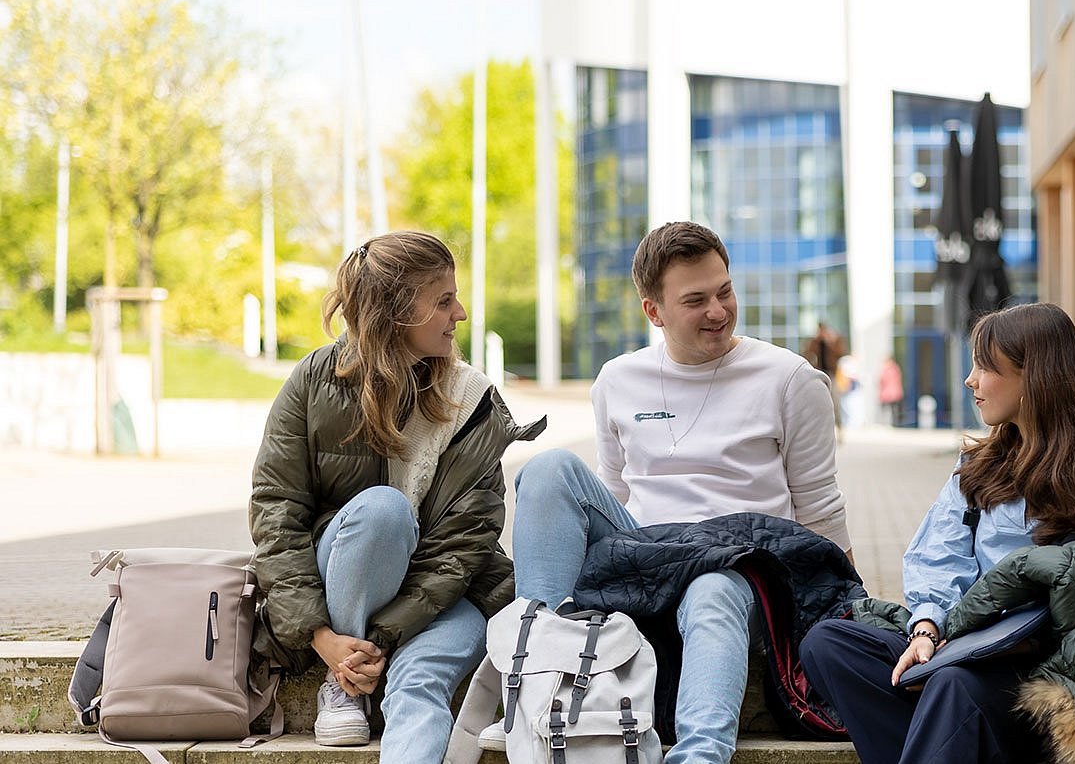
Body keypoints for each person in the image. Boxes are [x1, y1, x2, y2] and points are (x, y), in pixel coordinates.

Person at [509, 220, 851, 764]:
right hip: (647, 559)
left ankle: (700, 755)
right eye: (696, 300)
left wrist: (843, 609)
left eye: (725, 291)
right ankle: (535, 684)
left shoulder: (790, 379)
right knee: (548, 468)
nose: (718, 311)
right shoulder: (617, 380)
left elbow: (820, 509)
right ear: (654, 311)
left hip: (743, 568)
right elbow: (614, 492)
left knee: (712, 587)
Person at [800, 302, 1075, 764]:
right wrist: (926, 629)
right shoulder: (979, 464)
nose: (970, 379)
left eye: (985, 366)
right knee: (830, 644)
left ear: (1034, 376)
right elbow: (938, 557)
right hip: (967, 641)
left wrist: (1011, 639)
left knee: (954, 685)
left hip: (1056, 665)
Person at [249, 231, 542, 763]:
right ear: (396, 312)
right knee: (384, 510)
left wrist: (376, 643)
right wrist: (326, 641)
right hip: (344, 587)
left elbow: (465, 545)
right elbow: (277, 514)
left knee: (420, 679)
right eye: (444, 300)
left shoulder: (471, 400)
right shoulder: (314, 383)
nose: (461, 313)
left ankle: (353, 679)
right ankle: (342, 686)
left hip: (447, 597)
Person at [877, 356, 904, 427]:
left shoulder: (886, 370)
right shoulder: (896, 369)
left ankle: (886, 423)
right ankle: (895, 424)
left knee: (885, 409)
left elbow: (882, 381)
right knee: (894, 410)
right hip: (896, 393)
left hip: (887, 393)